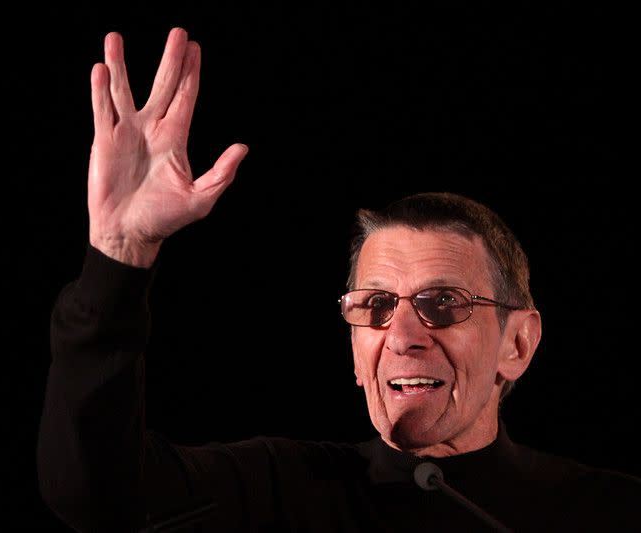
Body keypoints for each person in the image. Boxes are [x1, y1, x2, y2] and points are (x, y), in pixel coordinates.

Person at [37, 27, 639, 532]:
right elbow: (97, 496)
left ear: (518, 343)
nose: (401, 335)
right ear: (355, 353)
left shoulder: (609, 510)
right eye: (375, 305)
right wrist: (119, 254)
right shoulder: (279, 491)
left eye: (442, 303)